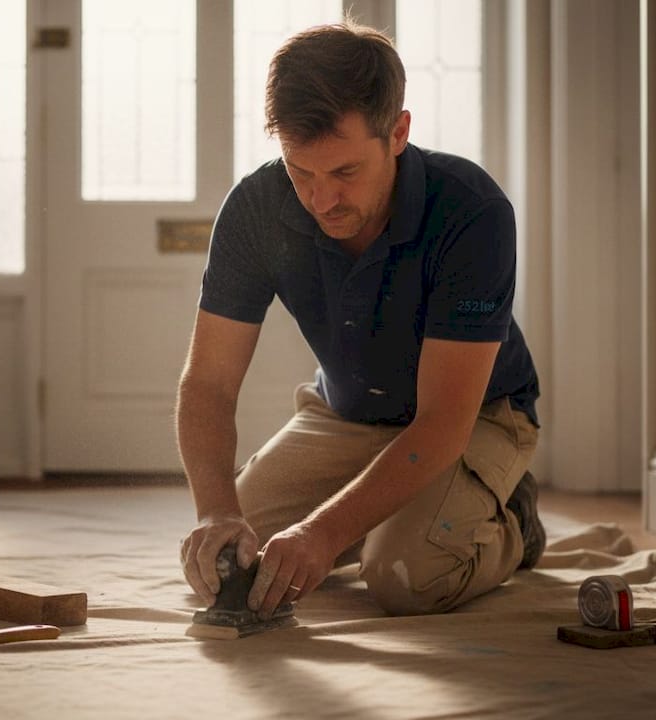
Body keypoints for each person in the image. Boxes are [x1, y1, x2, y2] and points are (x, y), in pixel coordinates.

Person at [176, 21, 541, 619]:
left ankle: (515, 521)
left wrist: (321, 534)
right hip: (346, 413)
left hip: (476, 416)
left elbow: (444, 422)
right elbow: (209, 384)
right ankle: (398, 516)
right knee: (235, 555)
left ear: (398, 132)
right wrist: (216, 512)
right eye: (300, 171)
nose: (321, 201)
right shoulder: (254, 210)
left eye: (344, 173)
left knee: (402, 576)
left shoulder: (473, 212)